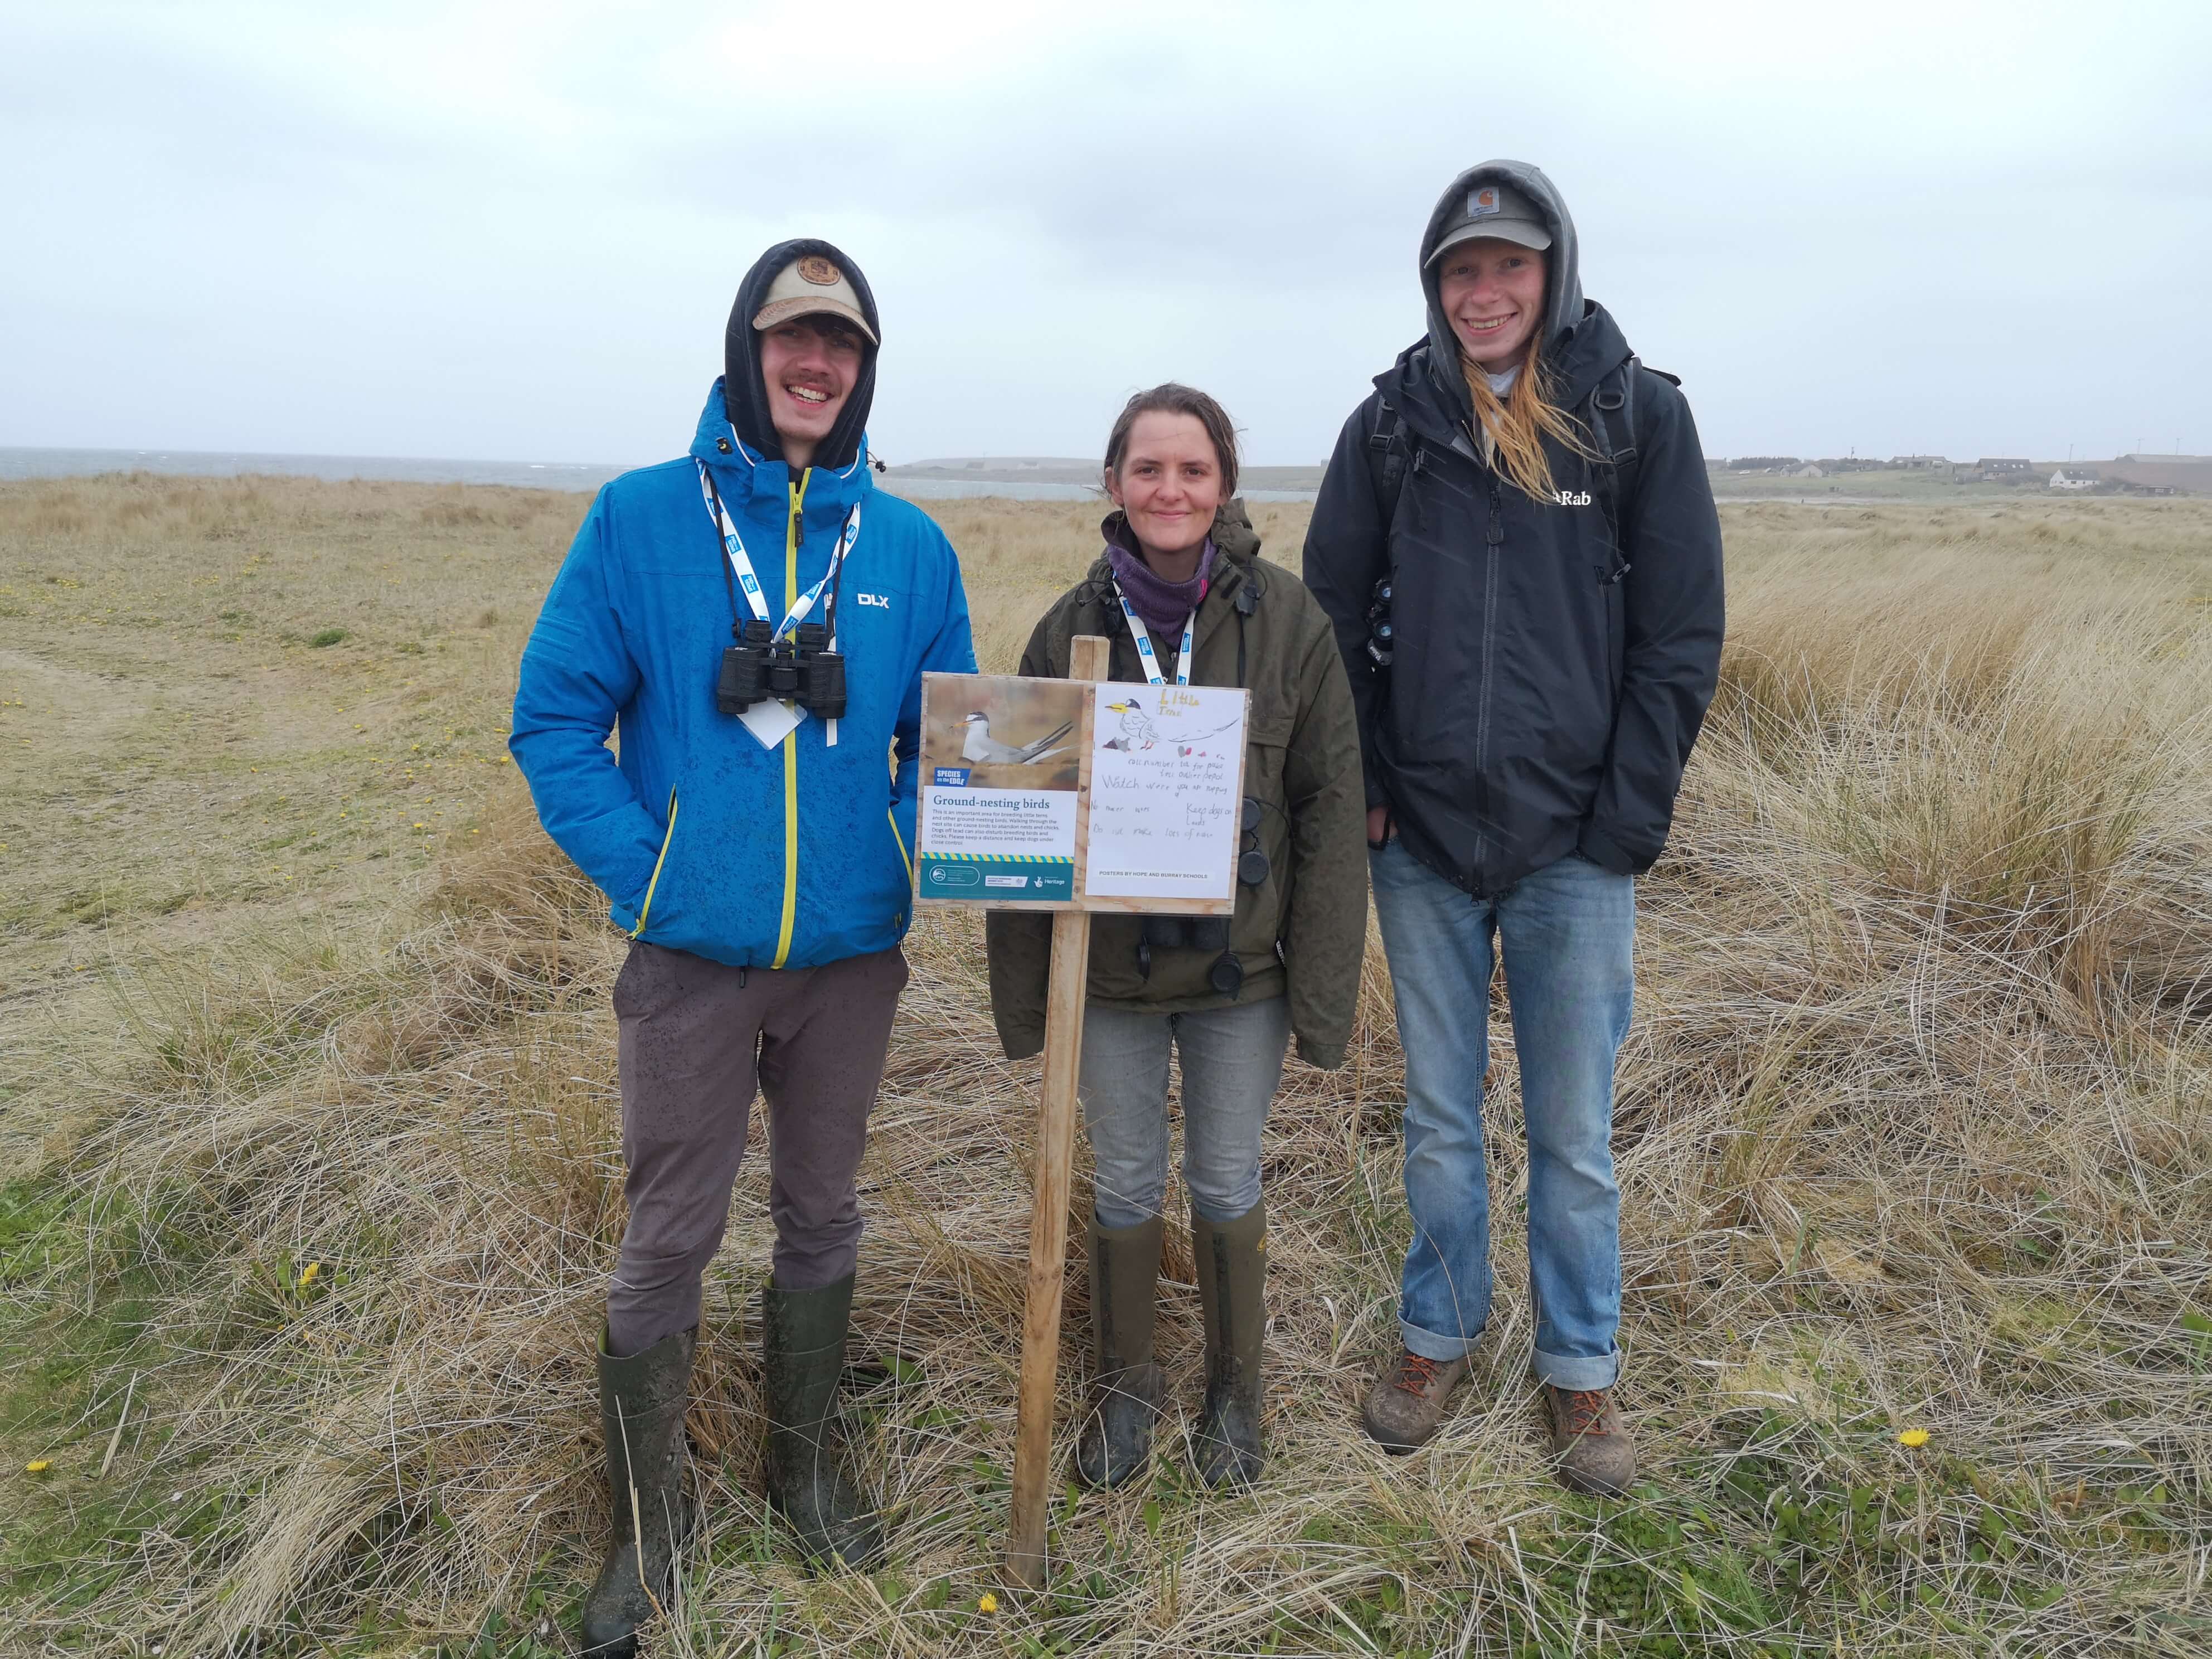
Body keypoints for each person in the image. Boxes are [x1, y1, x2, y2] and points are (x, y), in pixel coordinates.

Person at [510, 240, 976, 1650]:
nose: (814, 364)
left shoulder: (907, 546)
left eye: (839, 343)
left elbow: (937, 740)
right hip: (689, 961)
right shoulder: (640, 521)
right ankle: (642, 1540)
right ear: (745, 349)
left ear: (865, 366)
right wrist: (650, 872)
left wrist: (902, 839)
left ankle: (807, 1473)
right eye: (790, 339)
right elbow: (553, 722)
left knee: (824, 1213)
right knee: (668, 1237)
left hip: (848, 961)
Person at [1304, 163, 1724, 1495]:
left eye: (1508, 266)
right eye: (1459, 270)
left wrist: (1624, 822)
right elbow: (1328, 616)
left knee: (1572, 1132)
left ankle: (1580, 1371)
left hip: (1573, 850)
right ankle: (1435, 1334)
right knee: (1437, 1114)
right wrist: (1370, 778)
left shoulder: (1636, 417)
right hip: (1420, 837)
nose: (1483, 292)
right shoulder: (1391, 424)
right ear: (1434, 288)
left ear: (1554, 272)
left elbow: (1678, 636)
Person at [986, 384, 1367, 1492]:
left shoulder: (1292, 626)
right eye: (1147, 469)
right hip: (1103, 976)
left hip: (1239, 978)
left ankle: (1234, 1400)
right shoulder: (1067, 629)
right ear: (1112, 486)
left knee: (1226, 1179)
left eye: (1191, 470)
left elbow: (1332, 812)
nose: (1169, 489)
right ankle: (1124, 1398)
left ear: (1224, 486)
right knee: (1122, 1185)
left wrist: (1322, 997)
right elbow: (1020, 810)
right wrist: (1023, 999)